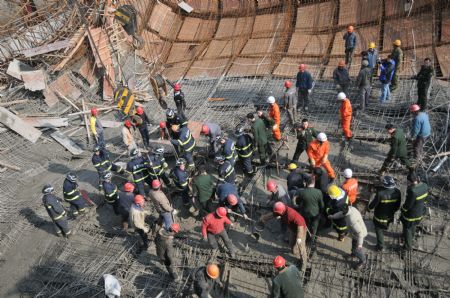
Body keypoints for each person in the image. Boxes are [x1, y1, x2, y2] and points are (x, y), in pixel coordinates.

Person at [260, 202, 308, 270]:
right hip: (293, 229)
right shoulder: (281, 210)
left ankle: (304, 265)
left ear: (282, 210)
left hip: (301, 230)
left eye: (278, 212)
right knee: (291, 243)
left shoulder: (291, 214)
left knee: (301, 247)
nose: (277, 213)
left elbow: (300, 225)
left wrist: (299, 238)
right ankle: (295, 252)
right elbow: (273, 214)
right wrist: (264, 218)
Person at [367, 175, 401, 251]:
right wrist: (392, 211)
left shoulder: (380, 194)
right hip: (390, 215)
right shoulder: (397, 192)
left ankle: (380, 246)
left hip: (379, 216)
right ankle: (385, 227)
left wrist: (368, 208)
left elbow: (373, 205)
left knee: (378, 229)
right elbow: (397, 206)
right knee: (386, 224)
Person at [401, 172, 428, 251]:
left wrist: (402, 209)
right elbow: (426, 200)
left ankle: (408, 247)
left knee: (407, 228)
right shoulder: (425, 186)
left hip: (411, 214)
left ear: (409, 181)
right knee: (414, 225)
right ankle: (411, 237)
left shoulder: (412, 191)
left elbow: (408, 205)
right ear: (417, 178)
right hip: (421, 212)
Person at [294, 175, 324, 244]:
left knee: (305, 225)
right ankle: (311, 240)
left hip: (305, 213)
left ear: (307, 183)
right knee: (314, 228)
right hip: (315, 214)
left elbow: (297, 202)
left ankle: (304, 237)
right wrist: (320, 213)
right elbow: (322, 205)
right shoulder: (318, 192)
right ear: (314, 183)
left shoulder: (301, 192)